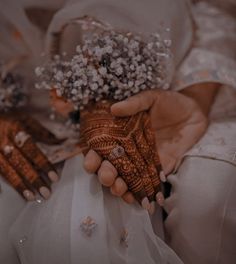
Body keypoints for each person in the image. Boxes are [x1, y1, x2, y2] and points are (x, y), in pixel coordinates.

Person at [0, 0, 235, 264]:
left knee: (206, 197)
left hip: (164, 71)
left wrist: (195, 98)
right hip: (22, 102)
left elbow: (216, 13)